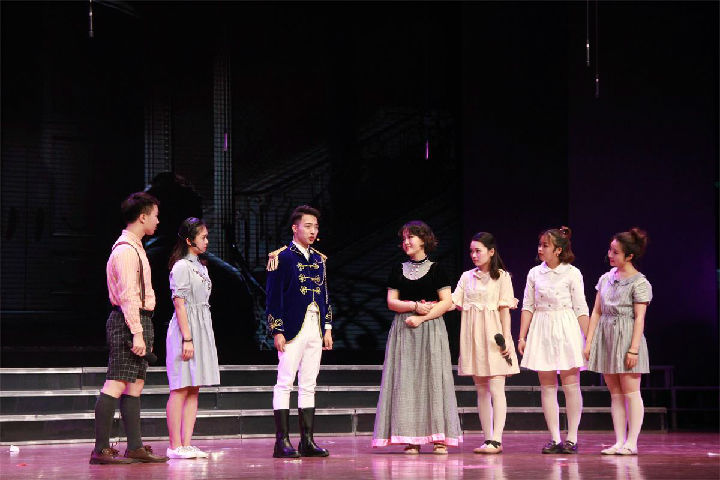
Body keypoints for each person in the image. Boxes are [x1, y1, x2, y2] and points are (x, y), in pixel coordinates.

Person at [90, 192, 169, 464]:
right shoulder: (125, 250)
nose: (158, 221)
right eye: (155, 216)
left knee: (135, 385)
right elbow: (127, 296)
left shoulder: (137, 247)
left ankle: (135, 446)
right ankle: (101, 449)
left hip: (140, 319)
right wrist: (136, 332)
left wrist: (143, 329)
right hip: (127, 320)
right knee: (116, 382)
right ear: (143, 217)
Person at [372, 221, 462, 455]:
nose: (406, 242)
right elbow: (392, 302)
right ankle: (410, 437)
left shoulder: (437, 269)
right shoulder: (397, 269)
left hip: (430, 328)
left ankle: (439, 437)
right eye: (403, 238)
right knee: (406, 382)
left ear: (423, 239)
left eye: (410, 237)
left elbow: (446, 302)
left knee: (434, 380)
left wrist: (422, 317)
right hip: (405, 329)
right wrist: (413, 306)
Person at [265, 205, 333, 458]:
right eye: (308, 226)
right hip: (292, 328)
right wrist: (277, 330)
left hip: (315, 327)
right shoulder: (282, 257)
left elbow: (325, 295)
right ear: (295, 228)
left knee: (308, 384)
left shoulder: (319, 259)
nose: (313, 231)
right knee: (285, 382)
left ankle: (307, 441)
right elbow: (273, 297)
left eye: (316, 227)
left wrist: (327, 328)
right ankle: (281, 442)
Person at [517, 227, 589, 455]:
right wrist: (522, 336)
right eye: (540, 244)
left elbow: (581, 308)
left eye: (545, 245)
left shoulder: (572, 273)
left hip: (566, 326)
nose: (540, 249)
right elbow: (528, 306)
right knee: (547, 386)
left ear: (558, 250)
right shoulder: (534, 273)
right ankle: (555, 438)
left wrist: (589, 340)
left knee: (571, 384)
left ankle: (572, 438)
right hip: (542, 327)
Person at [584, 228, 652, 455]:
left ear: (629, 256)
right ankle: (619, 441)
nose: (610, 255)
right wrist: (589, 342)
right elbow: (596, 311)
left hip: (627, 337)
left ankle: (632, 442)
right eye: (610, 250)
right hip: (607, 336)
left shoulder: (639, 282)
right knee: (615, 393)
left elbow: (639, 318)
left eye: (616, 252)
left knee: (631, 392)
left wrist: (633, 349)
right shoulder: (605, 278)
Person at [451, 232, 519, 454]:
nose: (473, 255)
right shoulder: (466, 277)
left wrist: (506, 338)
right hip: (473, 338)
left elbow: (504, 310)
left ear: (491, 252)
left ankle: (497, 439)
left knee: (497, 388)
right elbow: (452, 302)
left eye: (478, 251)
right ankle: (487, 438)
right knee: (481, 390)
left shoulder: (502, 277)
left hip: (494, 336)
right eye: (471, 251)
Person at [165, 218, 220, 459]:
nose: (207, 241)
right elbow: (179, 304)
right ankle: (175, 445)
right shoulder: (181, 267)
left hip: (202, 327)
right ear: (189, 240)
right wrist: (187, 338)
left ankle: (186, 443)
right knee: (180, 387)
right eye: (203, 237)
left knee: (194, 388)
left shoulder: (201, 266)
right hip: (186, 329)